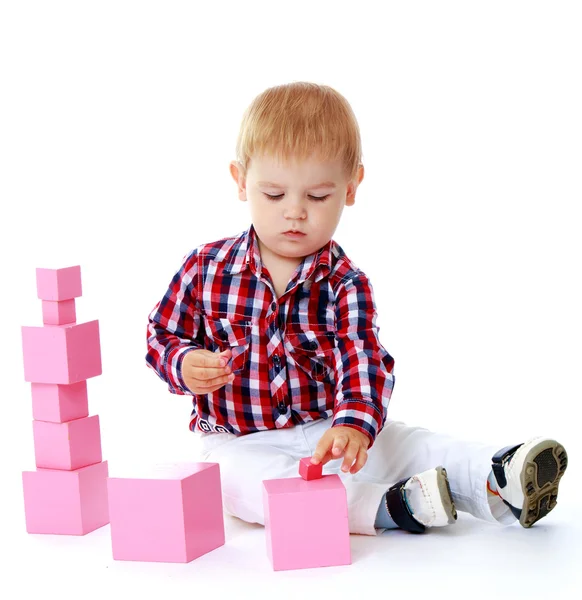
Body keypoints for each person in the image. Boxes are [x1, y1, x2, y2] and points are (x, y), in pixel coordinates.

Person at [145, 81, 567, 535]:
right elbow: (160, 335)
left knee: (405, 443)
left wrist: (354, 425)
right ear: (240, 181)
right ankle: (390, 506)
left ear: (351, 187)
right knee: (235, 483)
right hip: (238, 440)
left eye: (318, 196)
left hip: (331, 423)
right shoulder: (206, 267)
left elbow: (362, 359)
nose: (295, 212)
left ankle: (495, 476)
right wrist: (183, 362)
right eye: (274, 194)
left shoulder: (345, 282)